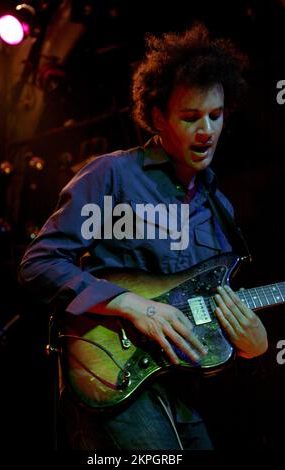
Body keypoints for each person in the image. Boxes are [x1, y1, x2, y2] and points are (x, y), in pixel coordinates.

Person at [18, 23, 268, 450]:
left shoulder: (220, 210)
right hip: (110, 377)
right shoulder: (111, 174)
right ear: (158, 118)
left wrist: (252, 346)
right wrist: (130, 304)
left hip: (178, 390)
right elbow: (38, 263)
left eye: (215, 114)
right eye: (190, 117)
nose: (206, 130)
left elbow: (209, 320)